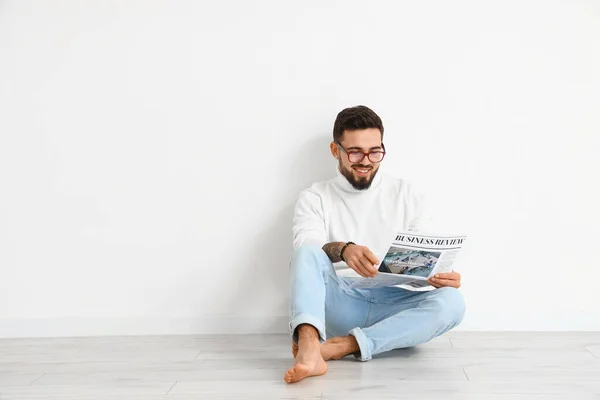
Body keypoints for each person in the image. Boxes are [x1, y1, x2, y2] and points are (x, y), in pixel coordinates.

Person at [284, 106, 465, 384]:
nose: (366, 161)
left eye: (375, 151)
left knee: (452, 302)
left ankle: (347, 345)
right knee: (306, 252)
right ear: (336, 150)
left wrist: (439, 277)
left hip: (394, 304)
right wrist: (344, 249)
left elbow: (423, 260)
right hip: (340, 301)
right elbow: (307, 248)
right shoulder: (315, 196)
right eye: (355, 152)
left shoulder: (407, 193)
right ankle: (308, 348)